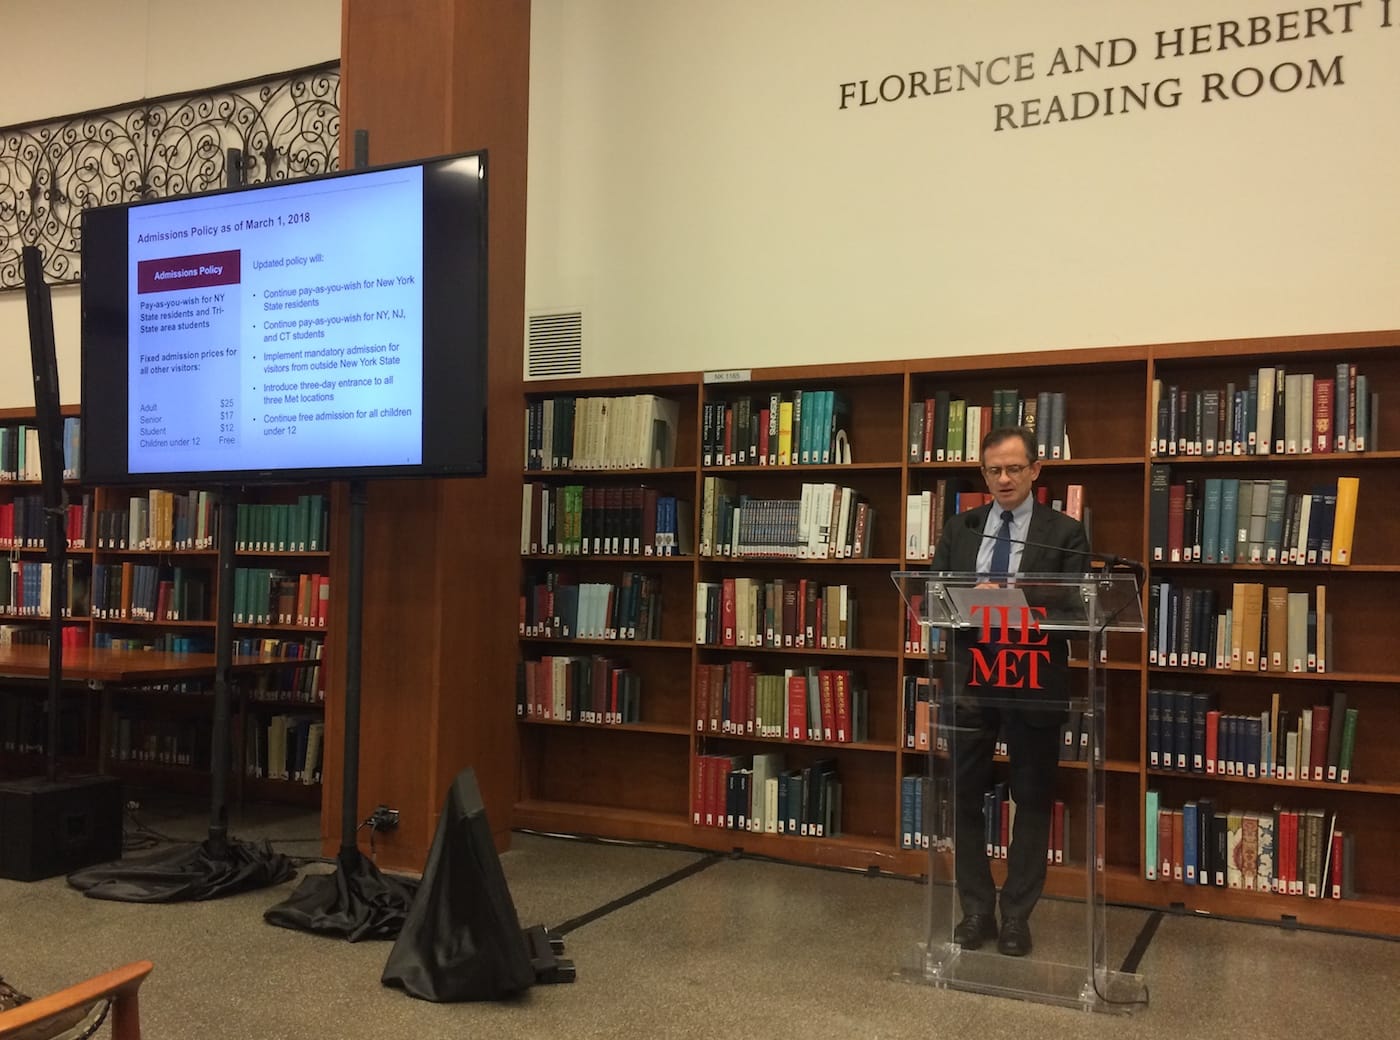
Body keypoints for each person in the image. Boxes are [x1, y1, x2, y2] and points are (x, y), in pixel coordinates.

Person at [929, 425, 1089, 957]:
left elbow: (1075, 609)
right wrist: (964, 601)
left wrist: (1016, 599)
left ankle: (1017, 915)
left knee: (1032, 797)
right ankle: (975, 910)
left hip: (1032, 676)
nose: (1003, 479)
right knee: (965, 796)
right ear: (983, 473)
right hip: (971, 673)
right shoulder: (962, 527)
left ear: (1035, 471)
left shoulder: (1063, 533)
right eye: (993, 470)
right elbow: (935, 597)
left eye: (1014, 469)